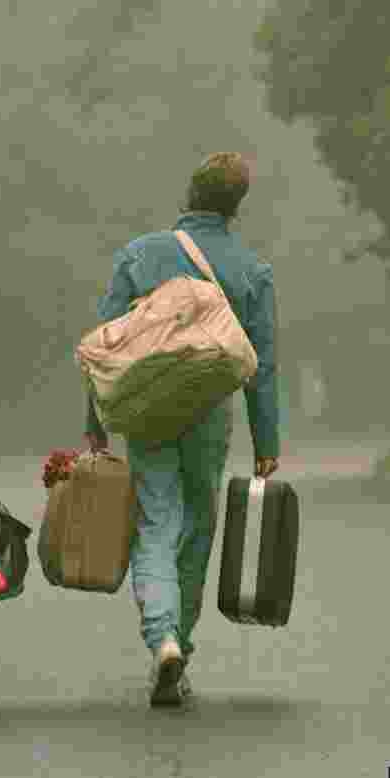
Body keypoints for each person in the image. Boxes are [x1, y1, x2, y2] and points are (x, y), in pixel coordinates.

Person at [86, 152, 281, 707]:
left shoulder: (140, 255)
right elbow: (261, 365)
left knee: (155, 523)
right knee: (197, 527)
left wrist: (94, 420)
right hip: (209, 417)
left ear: (188, 194)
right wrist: (266, 442)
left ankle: (162, 635)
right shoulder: (249, 268)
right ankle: (181, 648)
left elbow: (107, 343)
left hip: (147, 412)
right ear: (236, 205)